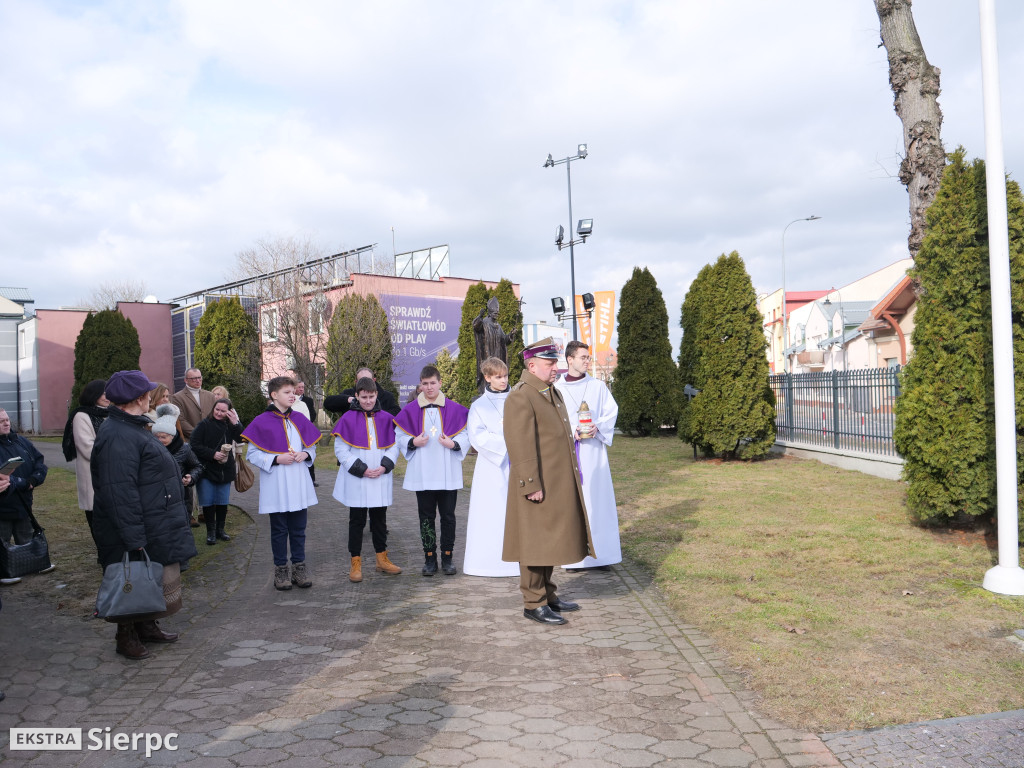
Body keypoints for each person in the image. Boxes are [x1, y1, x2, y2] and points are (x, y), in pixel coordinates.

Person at [91, 370, 198, 659]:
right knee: (134, 577)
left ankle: (147, 626)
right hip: (138, 523)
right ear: (139, 398)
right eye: (148, 393)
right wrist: (133, 535)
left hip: (154, 519)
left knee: (151, 576)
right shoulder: (117, 434)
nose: (151, 395)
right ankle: (125, 636)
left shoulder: (133, 427)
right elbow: (118, 491)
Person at [503, 338, 593, 625]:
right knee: (534, 542)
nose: (556, 367)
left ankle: (548, 594)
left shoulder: (547, 391)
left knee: (549, 540)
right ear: (532, 365)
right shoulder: (522, 396)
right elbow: (520, 445)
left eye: (555, 362)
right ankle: (533, 602)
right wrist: (531, 484)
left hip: (554, 481)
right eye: (550, 363)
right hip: (536, 484)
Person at [242, 376, 321, 591]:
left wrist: (306, 454)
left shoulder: (300, 419)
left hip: (298, 481)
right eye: (287, 392)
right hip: (276, 482)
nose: (292, 395)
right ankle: (280, 569)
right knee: (278, 529)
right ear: (274, 395)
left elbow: (312, 447)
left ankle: (299, 566)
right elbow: (253, 454)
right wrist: (276, 459)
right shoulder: (261, 420)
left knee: (299, 528)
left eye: (293, 391)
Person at [395, 364, 469, 577]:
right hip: (423, 472)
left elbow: (467, 433)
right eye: (425, 384)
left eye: (433, 383)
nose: (429, 388)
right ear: (420, 385)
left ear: (440, 383)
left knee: (448, 516)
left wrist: (454, 444)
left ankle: (447, 557)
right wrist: (412, 441)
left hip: (447, 471)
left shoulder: (455, 408)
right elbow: (398, 436)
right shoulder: (409, 410)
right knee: (425, 517)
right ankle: (429, 558)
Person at [555, 340, 622, 571]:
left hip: (594, 454)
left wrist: (597, 427)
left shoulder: (597, 387)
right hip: (569, 453)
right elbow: (552, 421)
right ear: (569, 359)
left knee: (598, 501)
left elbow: (611, 412)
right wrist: (570, 430)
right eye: (583, 357)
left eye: (588, 357)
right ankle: (574, 556)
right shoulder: (557, 389)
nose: (587, 361)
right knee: (573, 504)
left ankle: (601, 556)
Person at [332, 377, 402, 583]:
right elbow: (341, 449)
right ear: (356, 396)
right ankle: (355, 563)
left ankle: (382, 559)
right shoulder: (347, 419)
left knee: (380, 521)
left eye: (371, 397)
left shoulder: (388, 418)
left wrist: (384, 466)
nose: (368, 401)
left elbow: (395, 445)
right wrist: (361, 469)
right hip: (358, 479)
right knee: (357, 522)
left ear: (376, 395)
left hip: (380, 476)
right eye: (364, 397)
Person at [463, 357, 518, 577]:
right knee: (490, 513)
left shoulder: (519, 398)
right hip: (491, 467)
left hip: (519, 464)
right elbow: (476, 437)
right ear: (487, 377)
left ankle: (518, 561)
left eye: (505, 376)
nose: (503, 380)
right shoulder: (478, 406)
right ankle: (486, 562)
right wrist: (506, 444)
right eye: (498, 377)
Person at [0, 409, 52, 585]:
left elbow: (39, 461)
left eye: (7, 419)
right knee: (2, 540)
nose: (6, 423)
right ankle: (3, 572)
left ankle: (34, 563)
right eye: (1, 421)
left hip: (24, 503)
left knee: (27, 537)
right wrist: (20, 482)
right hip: (3, 506)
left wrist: (33, 480)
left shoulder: (21, 441)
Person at [190, 399, 245, 546]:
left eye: (223, 411)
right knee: (208, 501)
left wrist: (236, 423)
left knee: (222, 502)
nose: (219, 413)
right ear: (213, 408)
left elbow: (242, 438)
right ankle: (211, 532)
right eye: (217, 410)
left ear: (228, 412)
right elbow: (194, 445)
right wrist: (212, 454)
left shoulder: (229, 425)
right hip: (207, 468)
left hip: (225, 469)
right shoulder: (204, 425)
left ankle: (221, 530)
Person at [63, 379, 110, 533]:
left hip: (111, 474)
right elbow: (87, 447)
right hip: (92, 474)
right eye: (103, 393)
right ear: (93, 395)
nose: (107, 396)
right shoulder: (81, 416)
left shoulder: (109, 414)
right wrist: (115, 455)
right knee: (98, 522)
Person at [151, 404, 204, 531]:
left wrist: (190, 478)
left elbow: (197, 466)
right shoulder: (150, 449)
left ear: (172, 435)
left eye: (163, 437)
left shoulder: (184, 449)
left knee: (180, 530)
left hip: (181, 496)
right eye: (156, 437)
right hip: (157, 496)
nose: (159, 440)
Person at [472, 297, 517, 393]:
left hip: (498, 355)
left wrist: (510, 335)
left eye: (497, 313)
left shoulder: (498, 326)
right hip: (488, 355)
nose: (496, 315)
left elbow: (504, 340)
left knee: (499, 373)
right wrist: (480, 316)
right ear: (489, 312)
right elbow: (476, 326)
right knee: (489, 372)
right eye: (494, 313)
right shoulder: (484, 323)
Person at [324, 367, 401, 416]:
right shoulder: (349, 393)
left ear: (374, 380)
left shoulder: (387, 396)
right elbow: (328, 403)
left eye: (371, 397)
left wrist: (377, 414)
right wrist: (349, 399)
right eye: (361, 380)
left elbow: (397, 413)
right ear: (356, 381)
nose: (365, 383)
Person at [171, 368, 217, 440]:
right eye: (194, 378)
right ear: (186, 380)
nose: (198, 381)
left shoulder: (210, 396)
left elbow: (215, 416)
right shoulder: (177, 397)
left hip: (212, 440)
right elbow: (181, 421)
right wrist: (198, 435)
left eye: (199, 377)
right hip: (192, 441)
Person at [293, 380, 319, 487]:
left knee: (308, 454)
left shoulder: (307, 401)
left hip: (306, 429)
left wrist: (307, 423)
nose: (301, 389)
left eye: (303, 387)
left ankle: (311, 479)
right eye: (299, 387)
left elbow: (312, 414)